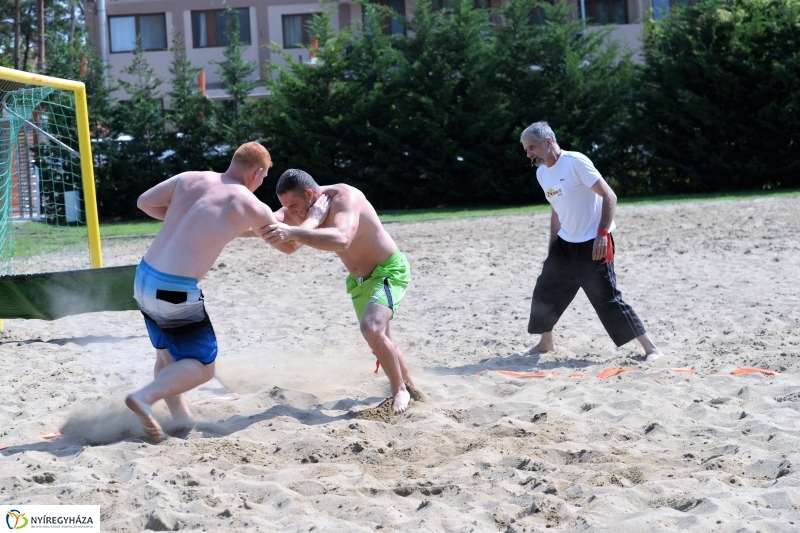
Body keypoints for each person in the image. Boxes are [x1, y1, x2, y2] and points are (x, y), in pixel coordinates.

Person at [127, 143, 330, 440]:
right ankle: (144, 397)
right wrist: (315, 218)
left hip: (143, 277)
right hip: (174, 289)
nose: (261, 184)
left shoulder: (191, 178)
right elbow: (289, 245)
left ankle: (181, 419)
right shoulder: (248, 203)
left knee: (168, 357)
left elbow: (145, 202)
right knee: (202, 367)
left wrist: (187, 221)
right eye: (263, 178)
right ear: (257, 172)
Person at [260, 169, 414, 415]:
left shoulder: (345, 197)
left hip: (387, 270)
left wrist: (293, 231)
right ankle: (412, 388)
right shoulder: (302, 209)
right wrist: (235, 224)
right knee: (381, 341)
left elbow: (342, 239)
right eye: (287, 206)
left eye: (294, 205)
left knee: (371, 329)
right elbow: (272, 225)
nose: (292, 212)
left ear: (310, 193)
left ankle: (399, 390)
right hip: (360, 281)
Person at [519, 121, 663, 362]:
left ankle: (652, 349)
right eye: (526, 150)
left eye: (531, 147)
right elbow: (557, 211)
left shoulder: (575, 162)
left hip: (593, 242)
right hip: (565, 245)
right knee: (545, 290)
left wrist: (602, 234)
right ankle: (546, 343)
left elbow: (609, 195)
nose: (529, 153)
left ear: (548, 141)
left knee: (606, 298)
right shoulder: (542, 173)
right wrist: (552, 248)